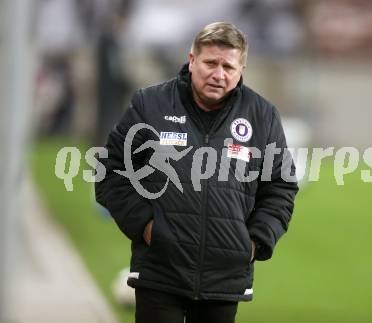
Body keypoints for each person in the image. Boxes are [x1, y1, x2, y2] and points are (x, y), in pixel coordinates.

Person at [95, 22, 299, 323]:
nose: (219, 74)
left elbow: (281, 187)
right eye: (210, 63)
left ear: (242, 68)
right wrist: (146, 227)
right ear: (192, 60)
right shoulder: (150, 105)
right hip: (159, 272)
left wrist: (253, 243)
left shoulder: (262, 116)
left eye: (229, 66)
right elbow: (111, 172)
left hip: (224, 279)